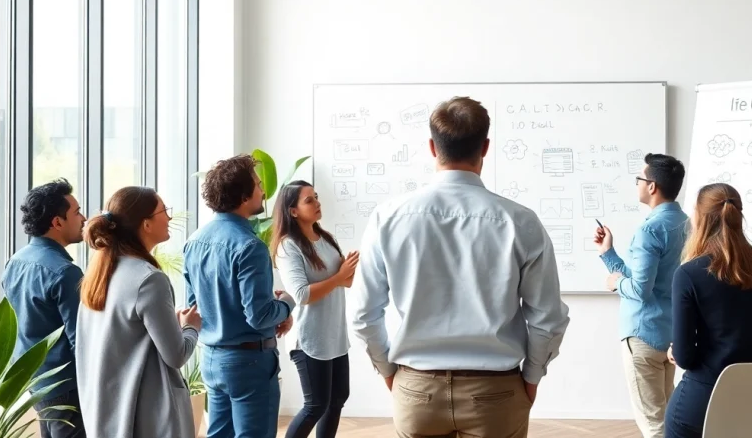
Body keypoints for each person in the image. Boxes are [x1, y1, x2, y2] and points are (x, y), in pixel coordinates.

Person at [351, 96, 570, 438]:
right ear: (485, 147)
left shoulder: (388, 218)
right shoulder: (520, 222)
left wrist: (389, 372)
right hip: (496, 391)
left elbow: (364, 315)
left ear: (431, 147)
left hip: (415, 387)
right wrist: (532, 377)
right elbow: (547, 317)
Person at [664, 183, 752, 438]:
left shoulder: (689, 274)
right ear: (738, 215)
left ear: (698, 219)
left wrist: (674, 351)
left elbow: (686, 358)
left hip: (709, 401)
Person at [183, 154, 296, 438]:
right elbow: (259, 316)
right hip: (249, 363)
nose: (263, 191)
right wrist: (285, 304)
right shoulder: (250, 247)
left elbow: (193, 307)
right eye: (258, 185)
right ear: (244, 196)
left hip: (211, 358)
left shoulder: (194, 242)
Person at [76, 187, 202, 438]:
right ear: (146, 224)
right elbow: (176, 355)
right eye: (164, 211)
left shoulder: (97, 276)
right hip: (149, 419)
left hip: (107, 415)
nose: (169, 218)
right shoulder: (149, 279)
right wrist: (190, 327)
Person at [593, 153, 688, 438]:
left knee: (653, 424)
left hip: (643, 334)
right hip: (670, 335)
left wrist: (613, 284)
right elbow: (644, 280)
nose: (637, 184)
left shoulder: (650, 230)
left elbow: (638, 289)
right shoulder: (686, 224)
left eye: (639, 179)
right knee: (668, 417)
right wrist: (608, 253)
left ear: (652, 186)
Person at [272, 180, 358, 438]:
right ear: (293, 210)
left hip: (335, 335)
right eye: (309, 200)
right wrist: (339, 276)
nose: (317, 203)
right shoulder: (289, 246)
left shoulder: (326, 239)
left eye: (316, 197)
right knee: (316, 404)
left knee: (338, 399)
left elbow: (347, 281)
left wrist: (344, 274)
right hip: (310, 339)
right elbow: (301, 295)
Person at [1, 178, 87, 438]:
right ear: (57, 222)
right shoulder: (65, 273)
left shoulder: (15, 262)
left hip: (35, 382)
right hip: (67, 386)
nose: (83, 218)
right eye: (76, 212)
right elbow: (80, 341)